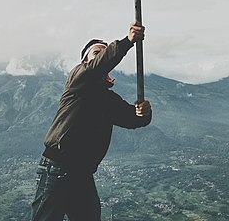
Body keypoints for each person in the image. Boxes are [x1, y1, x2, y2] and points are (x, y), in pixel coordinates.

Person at [30, 22, 152, 221]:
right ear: (86, 62)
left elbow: (134, 119)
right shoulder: (77, 79)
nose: (101, 56)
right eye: (96, 52)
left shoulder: (107, 100)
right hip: (57, 167)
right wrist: (127, 42)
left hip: (82, 174)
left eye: (104, 52)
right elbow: (98, 65)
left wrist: (144, 113)